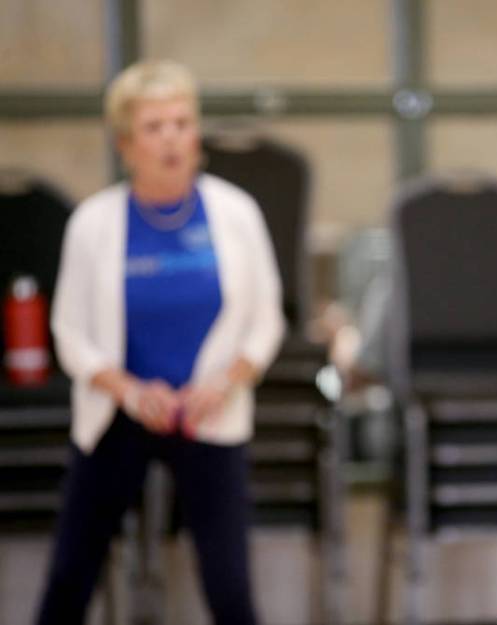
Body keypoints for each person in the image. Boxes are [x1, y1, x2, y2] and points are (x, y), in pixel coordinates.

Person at [37, 60, 285, 625]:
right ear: (127, 143)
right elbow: (68, 332)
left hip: (210, 411)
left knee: (230, 588)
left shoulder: (236, 212)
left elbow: (266, 320)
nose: (171, 138)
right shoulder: (93, 222)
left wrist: (225, 382)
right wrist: (125, 388)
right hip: (119, 412)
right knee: (70, 577)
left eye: (181, 123)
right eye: (154, 127)